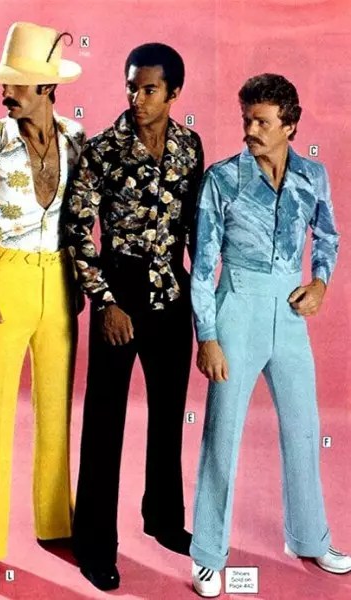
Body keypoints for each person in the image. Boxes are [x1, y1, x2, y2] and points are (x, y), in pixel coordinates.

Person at [189, 73, 351, 598]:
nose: (250, 130)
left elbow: (328, 236)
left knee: (304, 428)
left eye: (261, 121)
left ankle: (309, 538)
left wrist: (320, 282)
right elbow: (202, 266)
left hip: (290, 310)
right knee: (223, 433)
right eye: (247, 120)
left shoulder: (313, 175)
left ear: (290, 125)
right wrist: (207, 336)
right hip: (236, 305)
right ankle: (208, 555)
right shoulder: (222, 179)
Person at [0, 22, 85, 593]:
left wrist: (83, 281)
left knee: (56, 411)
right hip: (4, 279)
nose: (6, 93)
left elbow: (84, 217)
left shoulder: (78, 137)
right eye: (5, 84)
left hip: (60, 281)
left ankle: (56, 523)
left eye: (17, 84)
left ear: (47, 88)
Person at [65, 42, 204, 591]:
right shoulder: (101, 150)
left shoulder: (190, 146)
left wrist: (202, 301)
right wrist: (104, 302)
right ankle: (95, 544)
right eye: (131, 87)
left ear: (174, 93)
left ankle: (164, 519)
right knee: (105, 422)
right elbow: (77, 232)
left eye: (149, 89)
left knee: (169, 414)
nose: (137, 98)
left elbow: (193, 227)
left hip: (172, 294)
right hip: (119, 293)